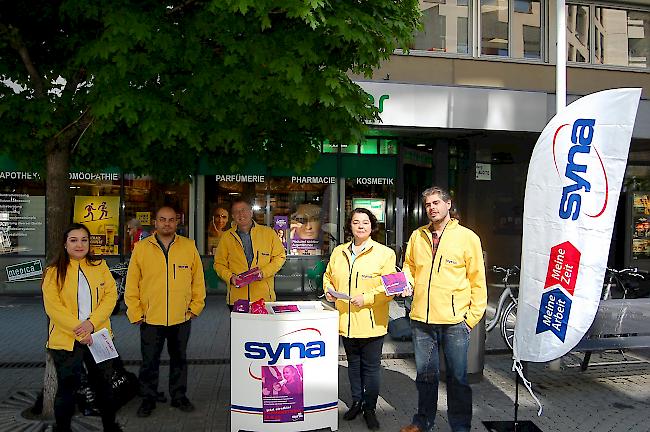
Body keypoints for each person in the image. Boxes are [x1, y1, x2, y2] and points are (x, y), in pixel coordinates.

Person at [399, 187, 487, 432]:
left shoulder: (468, 237)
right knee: (425, 377)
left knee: (457, 379)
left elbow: (478, 281)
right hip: (421, 320)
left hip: (454, 322)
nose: (432, 208)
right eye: (428, 204)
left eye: (436, 203)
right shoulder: (418, 236)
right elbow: (410, 267)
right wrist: (406, 281)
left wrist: (470, 319)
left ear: (449, 204)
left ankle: (460, 426)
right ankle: (423, 422)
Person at [324, 208, 409, 431]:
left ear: (372, 226)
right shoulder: (339, 252)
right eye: (356, 222)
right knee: (353, 365)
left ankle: (370, 407)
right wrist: (329, 290)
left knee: (371, 368)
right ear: (349, 226)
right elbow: (328, 276)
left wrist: (368, 298)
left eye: (365, 222)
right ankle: (356, 402)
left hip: (372, 322)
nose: (360, 226)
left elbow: (390, 288)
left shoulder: (385, 254)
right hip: (346, 321)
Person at [124, 206, 206, 418]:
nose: (167, 223)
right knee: (149, 361)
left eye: (171, 220)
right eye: (162, 219)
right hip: (151, 317)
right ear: (155, 222)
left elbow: (198, 280)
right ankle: (148, 398)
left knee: (179, 359)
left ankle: (179, 396)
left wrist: (196, 306)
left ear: (177, 222)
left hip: (181, 316)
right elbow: (132, 283)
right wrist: (135, 311)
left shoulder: (188, 247)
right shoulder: (141, 248)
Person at [41, 223, 122, 432]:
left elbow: (110, 297)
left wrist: (91, 325)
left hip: (99, 337)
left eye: (84, 240)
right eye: (74, 240)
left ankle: (110, 427)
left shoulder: (100, 266)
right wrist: (80, 330)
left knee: (104, 387)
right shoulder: (53, 272)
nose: (79, 244)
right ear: (65, 244)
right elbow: (53, 307)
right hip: (66, 341)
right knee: (67, 389)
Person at [213, 199, 286, 310]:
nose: (240, 214)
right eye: (236, 212)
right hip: (237, 299)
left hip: (264, 298)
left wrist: (263, 272)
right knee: (240, 327)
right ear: (232, 216)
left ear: (251, 212)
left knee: (263, 328)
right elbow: (219, 264)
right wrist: (230, 277)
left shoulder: (268, 233)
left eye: (243, 210)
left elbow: (280, 257)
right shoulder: (226, 237)